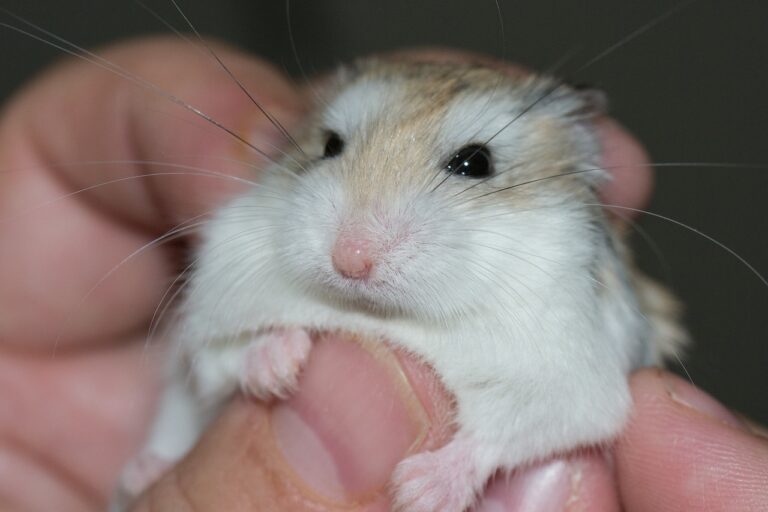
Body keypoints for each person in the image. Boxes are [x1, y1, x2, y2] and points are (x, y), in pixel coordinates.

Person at [0, 39, 765, 512]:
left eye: (470, 164)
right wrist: (249, 352)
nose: (355, 249)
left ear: (571, 182)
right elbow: (210, 334)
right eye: (333, 146)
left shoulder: (567, 274)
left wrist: (474, 455)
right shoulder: (258, 226)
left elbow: (587, 405)